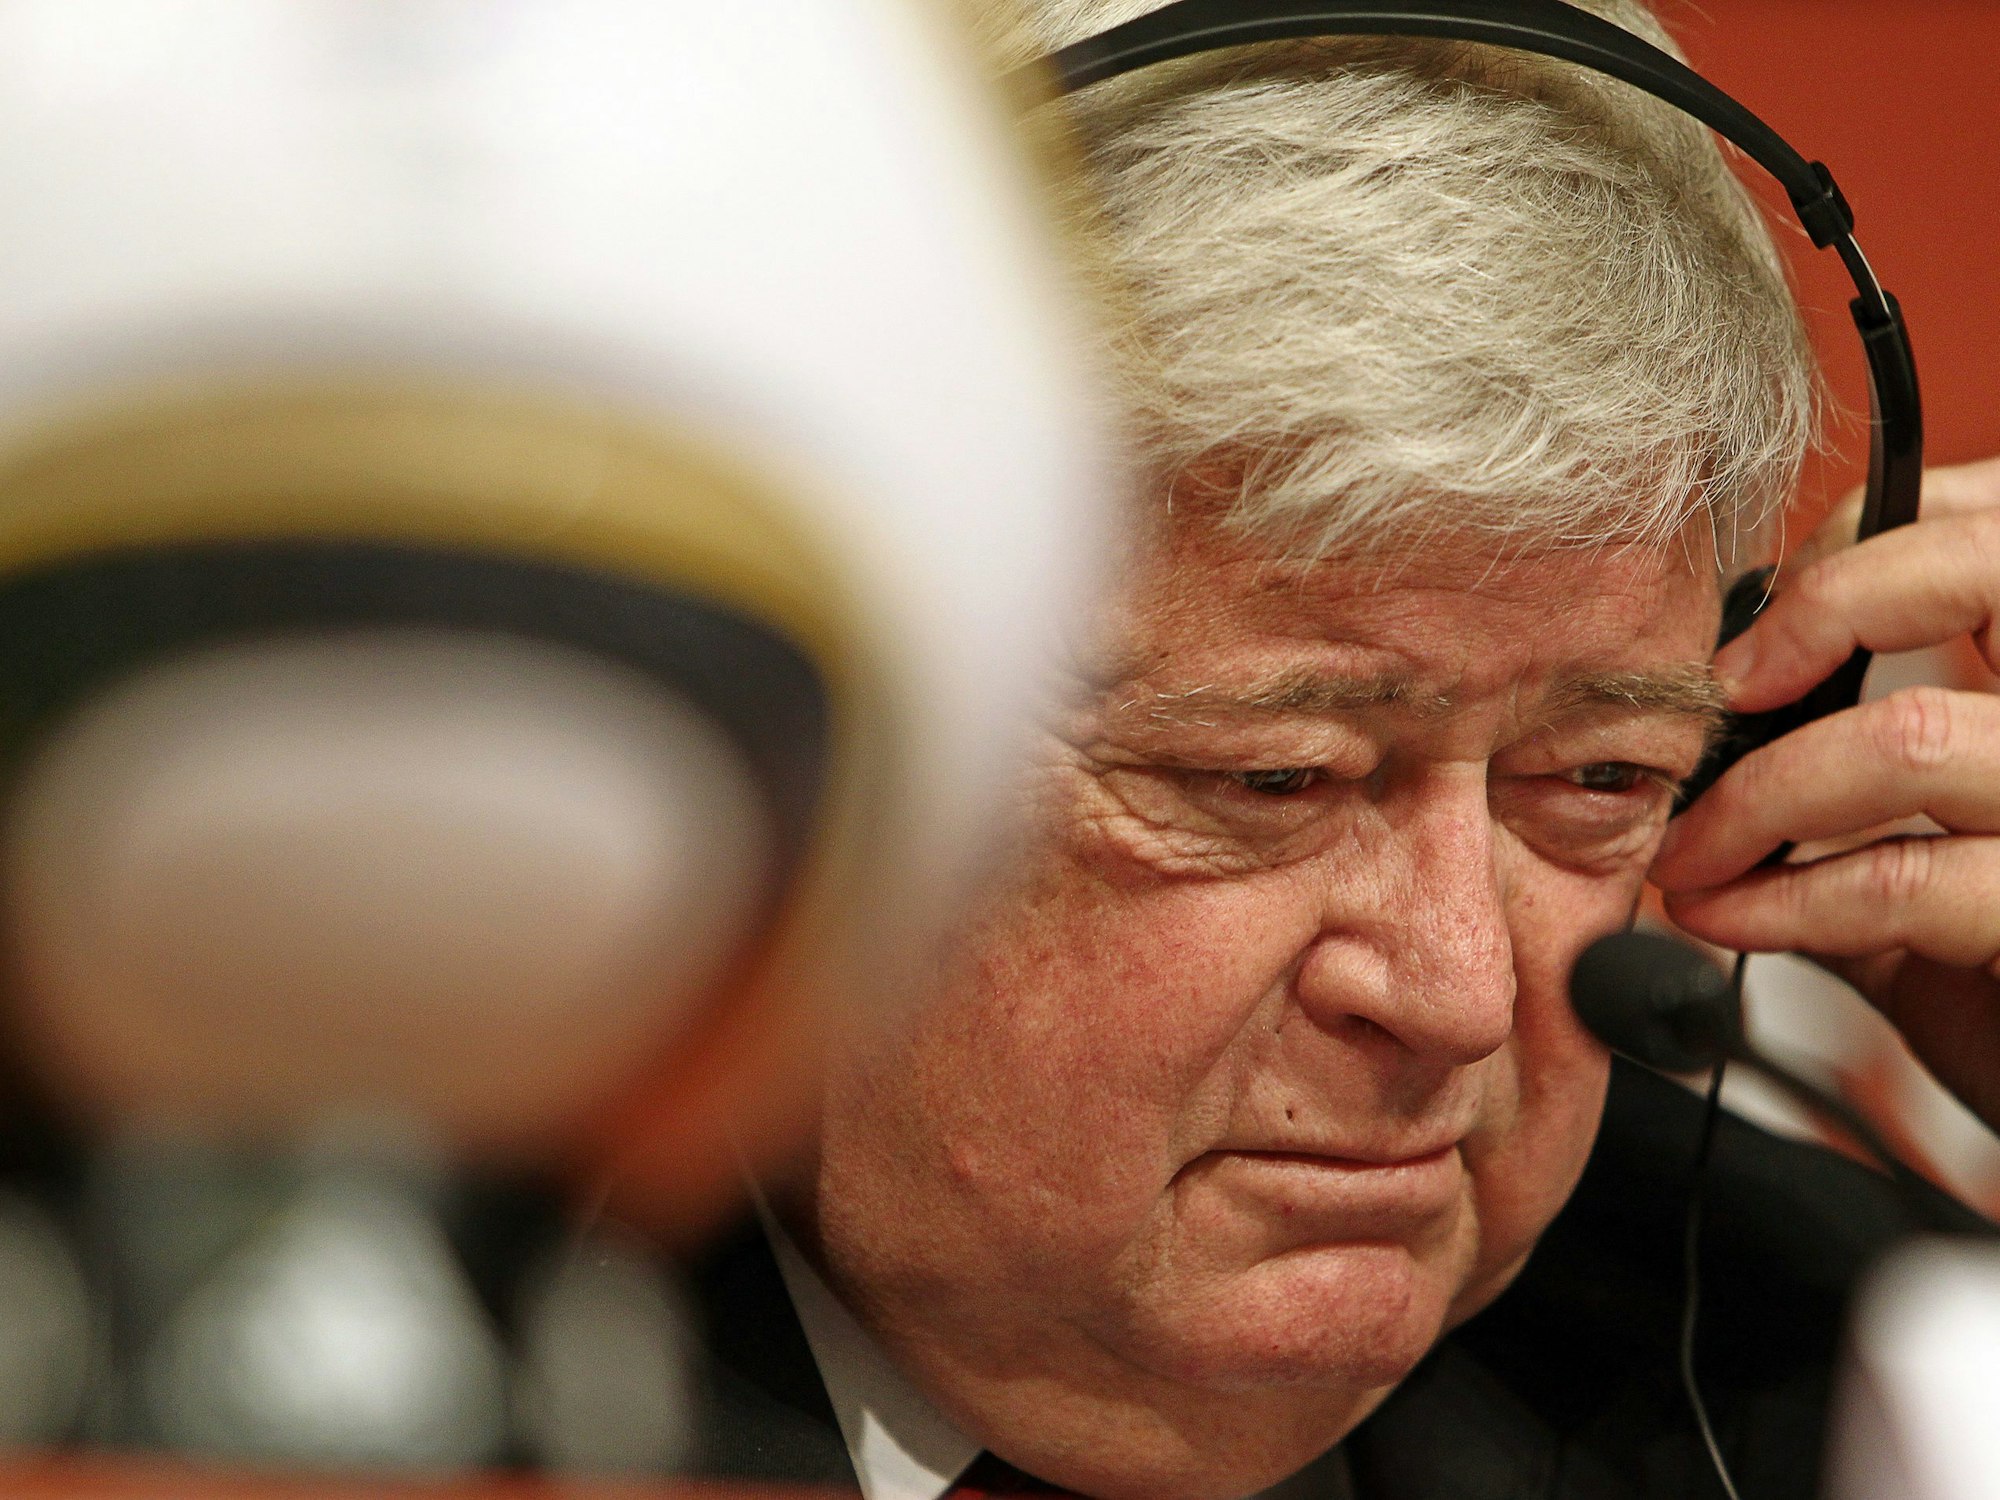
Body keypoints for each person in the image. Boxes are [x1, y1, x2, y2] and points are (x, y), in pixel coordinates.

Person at [675, 3, 2000, 1496]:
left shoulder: (1818, 1370)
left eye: (1599, 779)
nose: (1459, 993)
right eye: (1275, 780)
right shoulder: (414, 1361)